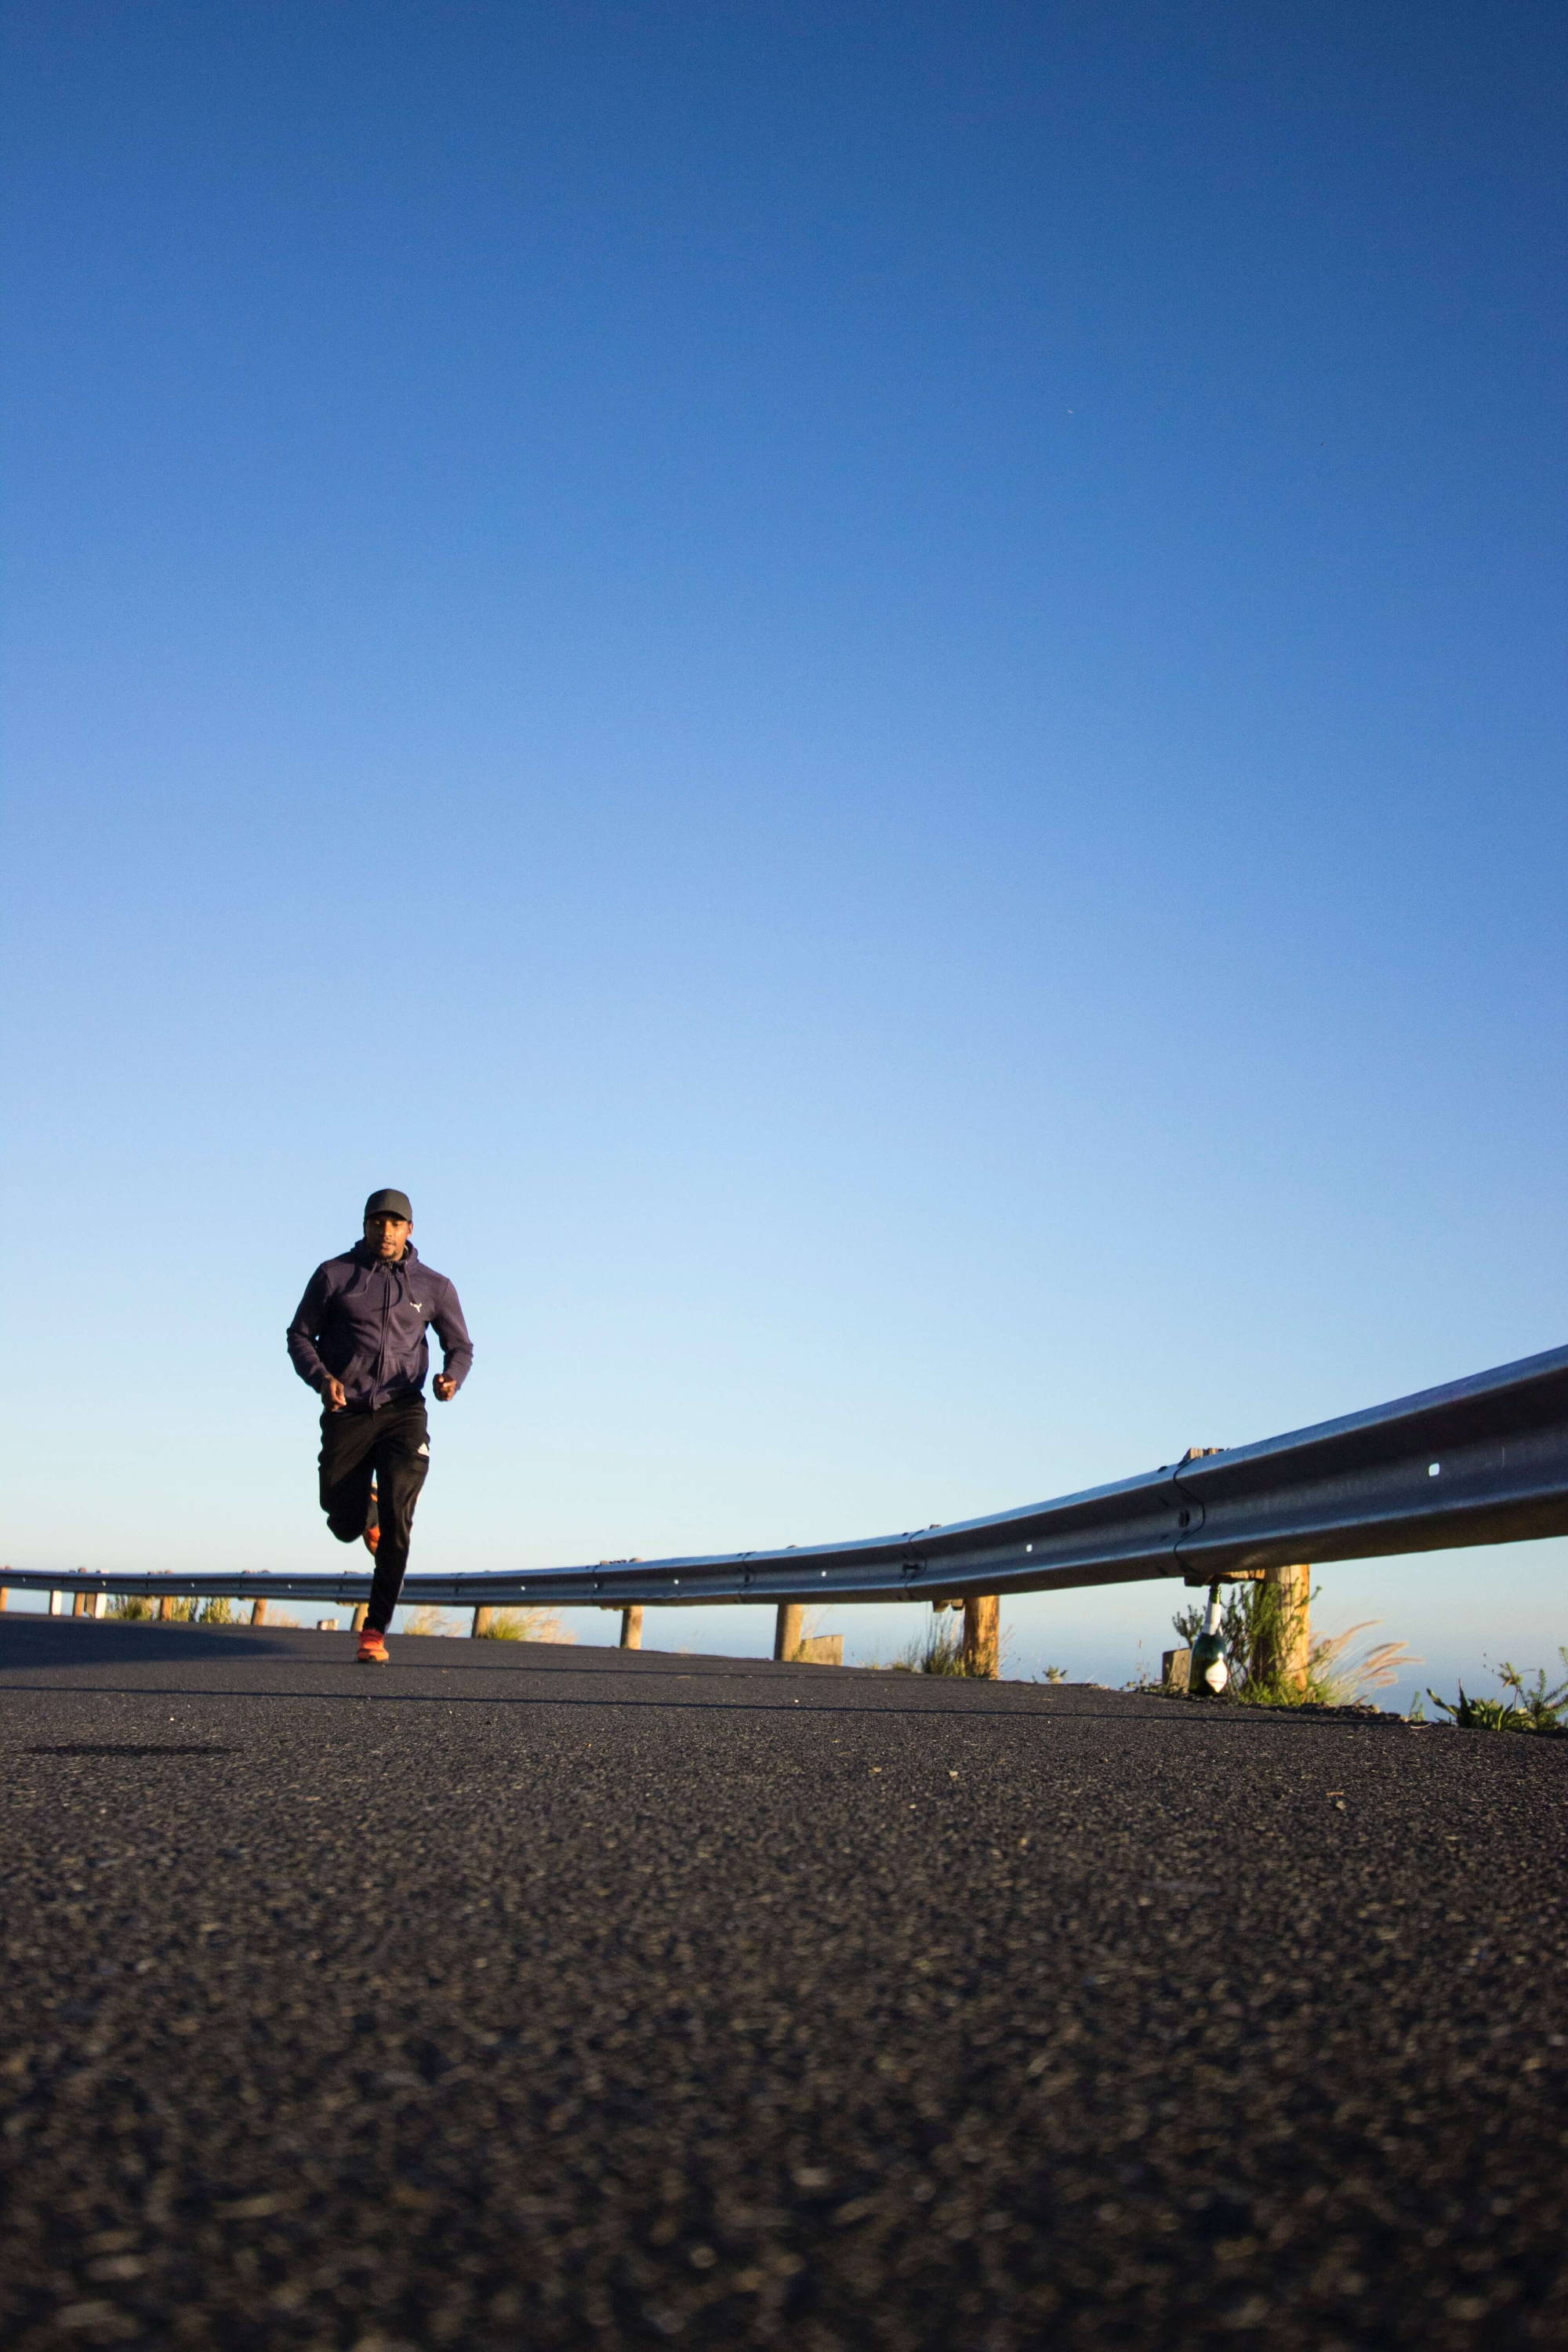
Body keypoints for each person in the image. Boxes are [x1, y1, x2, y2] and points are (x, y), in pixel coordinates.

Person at [286, 1189, 473, 1663]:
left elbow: (461, 1346)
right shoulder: (335, 1275)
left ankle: (374, 1631)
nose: (385, 1232)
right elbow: (299, 1335)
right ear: (365, 1226)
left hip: (403, 1411)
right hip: (347, 1410)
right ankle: (360, 1513)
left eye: (395, 1224)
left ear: (410, 1230)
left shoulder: (435, 1286)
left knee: (398, 1518)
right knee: (343, 1520)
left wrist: (453, 1377)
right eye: (377, 1223)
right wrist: (323, 1379)